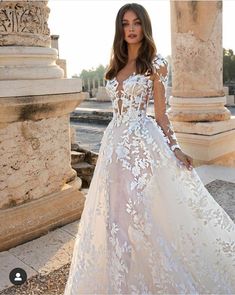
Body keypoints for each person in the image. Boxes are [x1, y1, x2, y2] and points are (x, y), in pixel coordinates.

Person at [64, 3, 235, 294]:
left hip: (139, 147)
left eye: (136, 23)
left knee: (137, 214)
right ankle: (119, 278)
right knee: (114, 216)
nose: (131, 29)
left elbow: (161, 115)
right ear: (120, 29)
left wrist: (176, 148)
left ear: (145, 26)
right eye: (125, 23)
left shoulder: (155, 65)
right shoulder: (115, 66)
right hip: (112, 147)